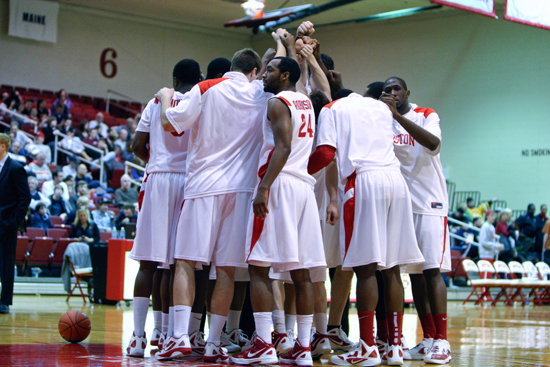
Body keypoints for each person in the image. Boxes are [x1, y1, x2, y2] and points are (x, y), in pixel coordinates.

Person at [154, 47, 272, 362]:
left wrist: (166, 97)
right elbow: (264, 81)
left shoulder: (206, 88)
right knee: (227, 271)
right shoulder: (260, 92)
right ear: (254, 71)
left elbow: (170, 124)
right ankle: (214, 342)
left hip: (204, 187)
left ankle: (179, 336)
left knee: (185, 263)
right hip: (243, 192)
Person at [309, 84, 424, 366]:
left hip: (364, 181)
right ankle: (394, 347)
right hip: (395, 182)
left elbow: (325, 154)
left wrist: (296, 171)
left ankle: (368, 347)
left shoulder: (331, 109)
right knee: (392, 267)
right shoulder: (380, 107)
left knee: (366, 267)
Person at [231, 52, 326, 366]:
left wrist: (264, 187)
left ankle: (262, 343)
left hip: (280, 183)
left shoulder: (277, 103)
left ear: (285, 75)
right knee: (302, 273)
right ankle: (303, 347)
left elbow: (283, 147)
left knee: (258, 266)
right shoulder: (307, 104)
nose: (264, 75)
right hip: (303, 187)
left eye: (270, 70)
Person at [126, 58, 202, 359]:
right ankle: (170, 334)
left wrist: (157, 160)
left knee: (147, 263)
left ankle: (138, 337)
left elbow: (135, 145)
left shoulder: (155, 102)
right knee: (176, 263)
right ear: (198, 78)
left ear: (173, 77)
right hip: (188, 181)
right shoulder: (199, 102)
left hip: (157, 180)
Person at [380, 76, 451, 364]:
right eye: (387, 90)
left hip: (430, 203)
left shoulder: (425, 114)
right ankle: (429, 338)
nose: (392, 93)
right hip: (402, 205)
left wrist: (397, 116)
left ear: (408, 92)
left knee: (433, 271)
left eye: (397, 88)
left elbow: (433, 144)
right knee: (415, 275)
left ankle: (443, 340)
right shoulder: (383, 121)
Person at [0, 133, 31, 314]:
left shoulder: (16, 168)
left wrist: (13, 221)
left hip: (6, 224)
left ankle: (4, 301)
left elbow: (25, 198)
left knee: (6, 262)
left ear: (3, 146)